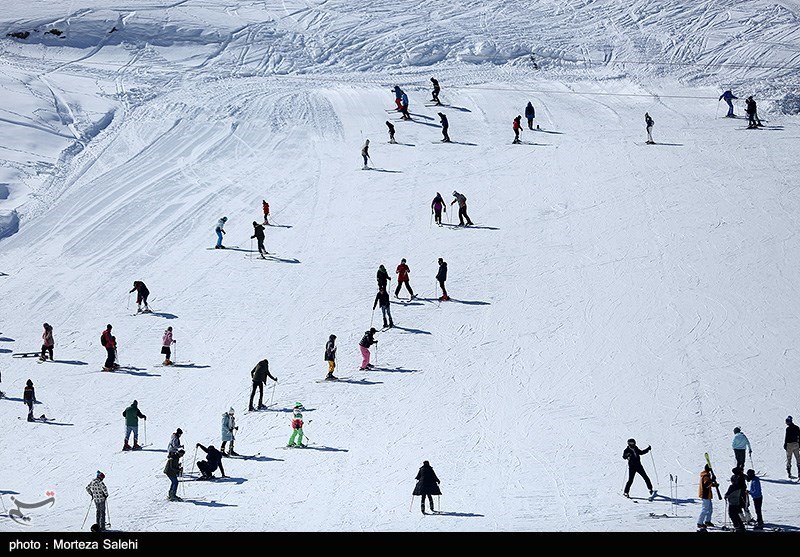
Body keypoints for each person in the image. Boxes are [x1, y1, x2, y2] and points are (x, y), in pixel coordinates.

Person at [697, 464, 718, 531]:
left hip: (707, 495)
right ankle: (699, 523)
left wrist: (712, 480)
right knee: (705, 509)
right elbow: (706, 484)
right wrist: (713, 484)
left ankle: (707, 521)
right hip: (705, 495)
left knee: (710, 509)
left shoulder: (707, 475)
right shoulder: (706, 476)